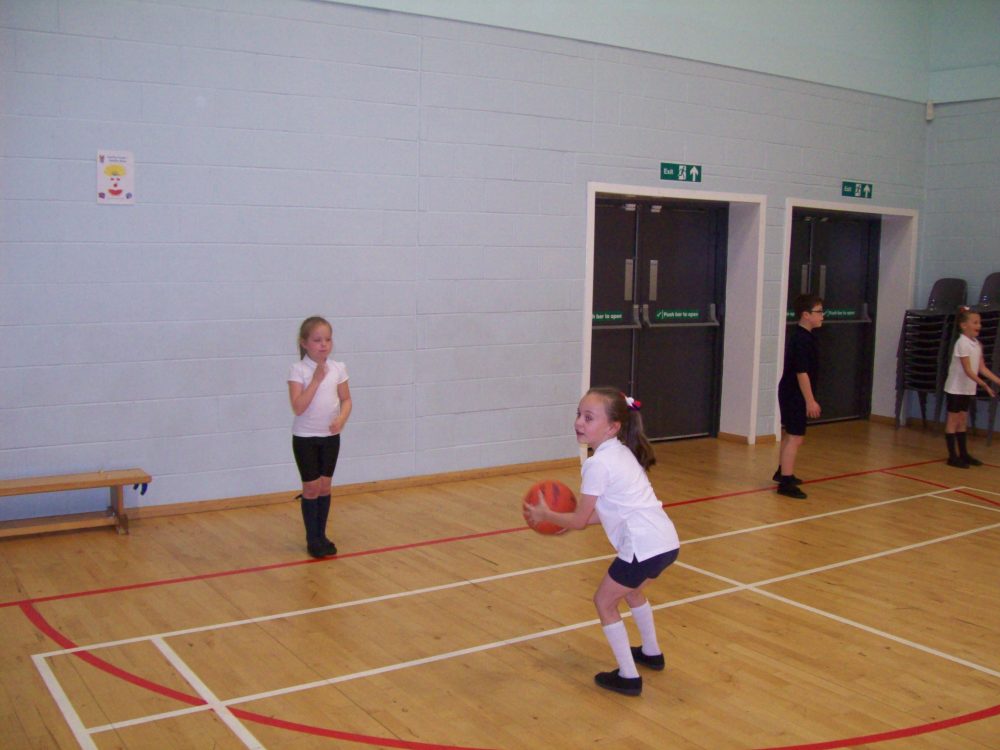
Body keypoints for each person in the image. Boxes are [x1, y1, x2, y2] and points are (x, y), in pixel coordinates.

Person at [522, 387, 680, 697]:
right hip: (665, 542)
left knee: (604, 602)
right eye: (578, 415)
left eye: (589, 417)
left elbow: (580, 520)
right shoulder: (621, 452)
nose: (579, 422)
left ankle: (629, 677)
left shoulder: (597, 464)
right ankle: (651, 653)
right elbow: (607, 513)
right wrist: (564, 520)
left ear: (612, 427)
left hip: (642, 547)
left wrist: (547, 514)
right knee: (632, 591)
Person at [288, 316, 352, 558]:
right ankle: (312, 539)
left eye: (327, 339)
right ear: (304, 343)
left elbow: (346, 399)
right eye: (317, 340)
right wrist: (315, 380)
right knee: (311, 487)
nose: (323, 344)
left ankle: (322, 535)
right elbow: (298, 407)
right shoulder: (298, 370)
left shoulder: (338, 368)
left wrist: (341, 419)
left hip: (330, 437)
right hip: (305, 438)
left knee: (325, 486)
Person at [774, 294, 824, 499]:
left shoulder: (804, 336)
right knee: (796, 437)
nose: (822, 315)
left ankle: (782, 471)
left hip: (791, 391)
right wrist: (810, 400)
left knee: (790, 434)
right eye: (818, 312)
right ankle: (785, 483)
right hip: (794, 393)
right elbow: (801, 372)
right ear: (806, 314)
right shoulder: (801, 339)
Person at [943, 307, 1000, 468]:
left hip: (967, 388)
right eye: (975, 322)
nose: (979, 325)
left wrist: (997, 381)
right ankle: (952, 456)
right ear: (963, 325)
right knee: (953, 420)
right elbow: (968, 370)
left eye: (979, 322)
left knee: (963, 420)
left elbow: (982, 368)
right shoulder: (962, 343)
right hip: (955, 388)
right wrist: (985, 385)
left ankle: (964, 454)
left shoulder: (977, 344)